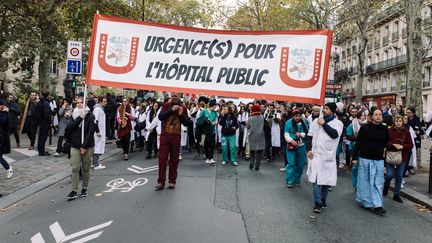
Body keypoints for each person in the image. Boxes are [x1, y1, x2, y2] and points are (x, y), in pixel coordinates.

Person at [306, 102, 343, 213]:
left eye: (327, 109)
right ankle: (317, 203)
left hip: (328, 157)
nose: (324, 110)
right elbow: (309, 136)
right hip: (316, 156)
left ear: (332, 111)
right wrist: (308, 150)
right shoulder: (315, 121)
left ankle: (322, 199)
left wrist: (323, 124)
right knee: (316, 180)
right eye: (324, 108)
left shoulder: (338, 123)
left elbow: (335, 134)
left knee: (326, 181)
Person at [352, 107, 389, 214]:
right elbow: (358, 143)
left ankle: (378, 204)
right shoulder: (365, 128)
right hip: (365, 158)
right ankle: (366, 202)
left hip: (378, 159)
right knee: (366, 181)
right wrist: (354, 158)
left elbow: (386, 143)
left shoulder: (384, 128)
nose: (378, 116)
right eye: (376, 114)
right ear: (372, 116)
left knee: (378, 182)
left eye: (380, 115)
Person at [156, 93, 190, 190]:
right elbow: (160, 117)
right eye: (173, 96)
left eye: (176, 96)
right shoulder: (166, 105)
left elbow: (187, 122)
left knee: (174, 160)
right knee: (162, 159)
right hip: (165, 136)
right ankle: (161, 181)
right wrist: (171, 110)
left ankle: (172, 181)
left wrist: (181, 115)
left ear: (179, 96)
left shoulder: (183, 107)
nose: (174, 97)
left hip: (176, 136)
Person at [65, 98, 96, 200]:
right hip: (75, 145)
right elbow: (70, 128)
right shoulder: (73, 115)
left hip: (87, 146)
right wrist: (79, 118)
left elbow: (90, 132)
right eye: (77, 103)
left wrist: (84, 146)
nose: (79, 104)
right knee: (75, 168)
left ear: (85, 103)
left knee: (85, 168)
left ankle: (84, 188)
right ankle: (74, 190)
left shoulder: (91, 116)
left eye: (81, 102)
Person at [383, 115, 413, 203]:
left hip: (402, 157)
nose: (398, 123)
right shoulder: (389, 130)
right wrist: (393, 145)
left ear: (402, 122)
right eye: (396, 121)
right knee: (389, 175)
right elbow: (385, 142)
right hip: (390, 155)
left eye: (400, 121)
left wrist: (402, 146)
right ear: (394, 122)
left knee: (399, 176)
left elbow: (411, 145)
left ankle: (396, 194)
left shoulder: (406, 132)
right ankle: (386, 186)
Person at [284, 109, 308, 188]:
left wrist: (301, 134)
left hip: (301, 146)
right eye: (295, 116)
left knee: (300, 164)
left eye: (299, 116)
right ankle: (290, 181)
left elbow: (307, 133)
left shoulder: (304, 122)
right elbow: (286, 134)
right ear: (293, 116)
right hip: (291, 146)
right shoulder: (288, 123)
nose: (297, 117)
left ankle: (297, 180)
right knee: (291, 163)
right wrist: (291, 140)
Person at [346, 110, 367, 189]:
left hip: (365, 149)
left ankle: (362, 185)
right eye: (361, 115)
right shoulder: (352, 125)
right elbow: (348, 136)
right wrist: (358, 138)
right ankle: (356, 186)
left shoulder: (367, 125)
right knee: (356, 167)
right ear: (358, 116)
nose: (363, 117)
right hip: (355, 148)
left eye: (364, 115)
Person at [199, 99, 218, 165]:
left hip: (212, 130)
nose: (215, 108)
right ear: (211, 106)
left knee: (212, 144)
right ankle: (207, 157)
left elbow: (216, 119)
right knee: (206, 144)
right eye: (214, 107)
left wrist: (215, 122)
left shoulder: (215, 113)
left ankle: (211, 158)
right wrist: (207, 122)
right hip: (205, 131)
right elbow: (200, 120)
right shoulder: (204, 111)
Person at [247, 105, 265, 170]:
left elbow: (248, 126)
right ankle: (257, 165)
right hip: (261, 135)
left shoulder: (250, 118)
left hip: (252, 135)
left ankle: (251, 163)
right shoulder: (262, 117)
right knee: (259, 151)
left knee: (252, 151)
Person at [92, 96, 107, 170]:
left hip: (100, 131)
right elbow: (95, 121)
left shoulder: (100, 109)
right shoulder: (97, 109)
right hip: (98, 132)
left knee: (98, 146)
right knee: (97, 147)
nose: (105, 103)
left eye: (105, 101)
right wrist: (97, 131)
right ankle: (96, 164)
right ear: (100, 102)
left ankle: (95, 162)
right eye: (104, 101)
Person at [0, 100, 13, 179]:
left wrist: (5, 113)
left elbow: (2, 121)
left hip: (2, 138)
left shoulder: (5, 113)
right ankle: (8, 168)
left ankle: (8, 168)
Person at [37, 91, 52, 156]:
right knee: (43, 137)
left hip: (41, 121)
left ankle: (40, 149)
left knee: (41, 136)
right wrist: (50, 122)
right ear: (48, 96)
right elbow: (47, 114)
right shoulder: (46, 103)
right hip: (45, 122)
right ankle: (41, 151)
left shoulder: (40, 102)